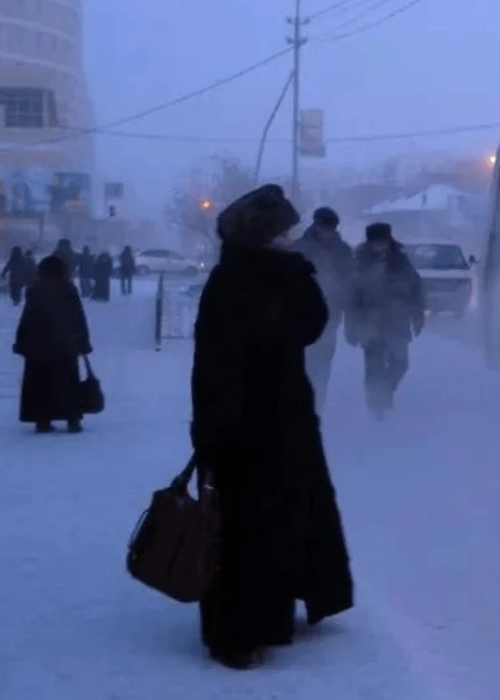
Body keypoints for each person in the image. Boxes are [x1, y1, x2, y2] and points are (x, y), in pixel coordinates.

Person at [191, 184, 353, 670]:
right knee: (254, 526)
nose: (288, 239)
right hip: (256, 423)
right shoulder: (259, 279)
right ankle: (241, 633)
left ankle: (262, 622)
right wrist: (296, 275)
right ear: (263, 235)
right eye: (281, 232)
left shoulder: (241, 277)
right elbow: (302, 329)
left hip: (256, 422)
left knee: (263, 522)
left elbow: (307, 328)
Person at [345, 222, 425, 417]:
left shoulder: (400, 260)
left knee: (401, 363)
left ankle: (385, 393)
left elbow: (416, 289)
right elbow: (352, 298)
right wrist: (351, 327)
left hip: (397, 320)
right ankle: (375, 407)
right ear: (369, 242)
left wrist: (418, 316)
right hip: (369, 322)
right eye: (376, 242)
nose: (380, 246)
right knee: (374, 366)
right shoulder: (360, 261)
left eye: (383, 242)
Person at [13, 255, 92, 434]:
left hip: (39, 345)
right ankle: (72, 419)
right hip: (65, 344)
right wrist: (83, 341)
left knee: (41, 383)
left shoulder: (35, 290)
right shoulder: (68, 289)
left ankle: (43, 420)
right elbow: (78, 316)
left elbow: (27, 317)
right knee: (68, 383)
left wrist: (21, 342)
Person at [293, 207, 353, 413]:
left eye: (330, 228)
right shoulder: (300, 248)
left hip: (330, 315)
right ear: (316, 225)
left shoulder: (343, 251)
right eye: (324, 228)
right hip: (301, 315)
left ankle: (318, 404)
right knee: (303, 362)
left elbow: (350, 280)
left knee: (323, 362)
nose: (327, 232)